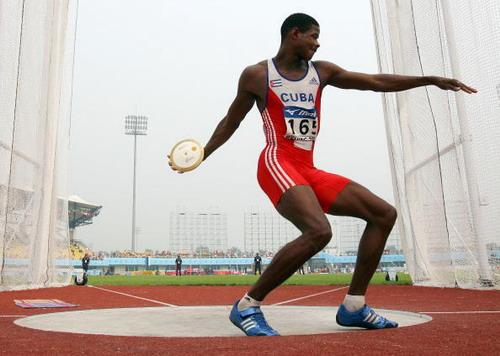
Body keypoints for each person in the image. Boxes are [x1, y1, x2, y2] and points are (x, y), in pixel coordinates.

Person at [169, 13, 476, 336]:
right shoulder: (257, 75)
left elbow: (375, 82)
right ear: (294, 34)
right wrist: (202, 153)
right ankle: (248, 305)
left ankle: (354, 306)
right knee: (319, 231)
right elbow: (231, 121)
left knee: (383, 214)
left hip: (307, 167)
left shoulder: (322, 72)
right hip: (277, 162)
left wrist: (428, 80)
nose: (318, 43)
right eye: (313, 36)